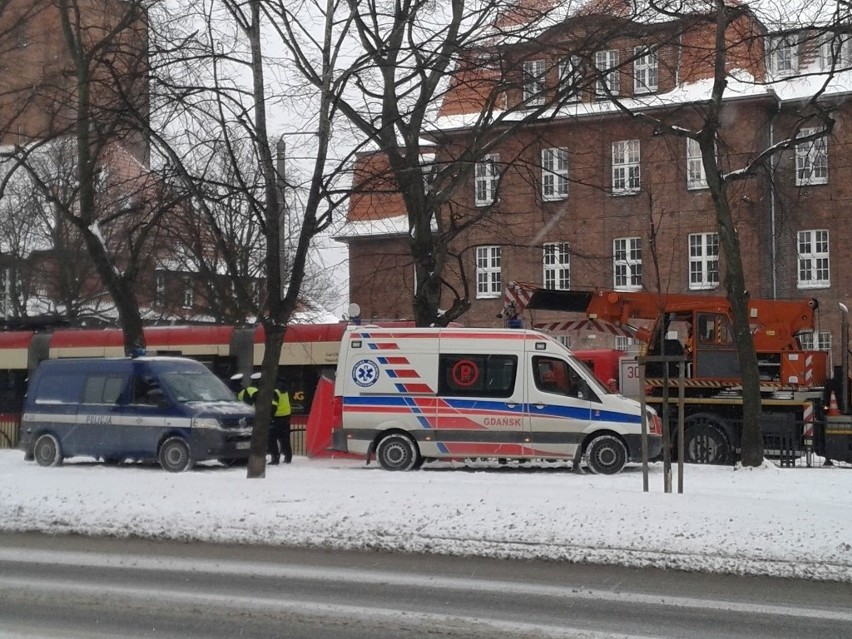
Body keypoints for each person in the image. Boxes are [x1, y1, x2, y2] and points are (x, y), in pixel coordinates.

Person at [269, 381, 292, 465]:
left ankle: (275, 458)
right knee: (285, 439)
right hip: (286, 418)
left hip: (276, 419)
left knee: (272, 439)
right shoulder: (285, 392)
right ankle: (288, 457)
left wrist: (270, 416)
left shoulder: (275, 392)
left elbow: (274, 406)